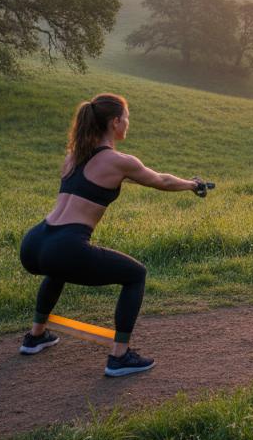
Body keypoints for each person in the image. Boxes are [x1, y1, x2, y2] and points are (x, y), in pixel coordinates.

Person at [18, 93, 212, 377]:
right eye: (127, 119)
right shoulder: (120, 161)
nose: (128, 124)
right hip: (66, 244)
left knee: (57, 269)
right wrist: (192, 184)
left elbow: (109, 180)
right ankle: (119, 357)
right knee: (136, 274)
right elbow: (161, 180)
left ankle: (35, 336)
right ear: (115, 122)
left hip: (36, 242)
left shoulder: (73, 156)